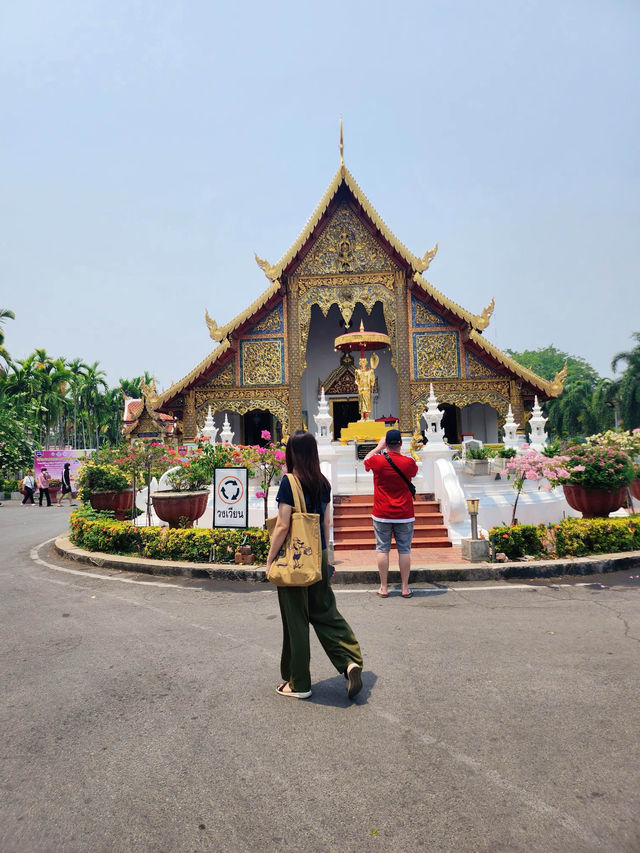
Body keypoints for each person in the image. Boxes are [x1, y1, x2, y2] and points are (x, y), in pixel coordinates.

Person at [266, 431, 363, 700]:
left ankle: (299, 683)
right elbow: (327, 524)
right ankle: (349, 662)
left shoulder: (289, 482)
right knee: (325, 612)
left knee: (296, 619)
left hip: (296, 558)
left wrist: (270, 558)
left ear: (292, 453)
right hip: (318, 554)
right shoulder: (324, 483)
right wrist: (327, 557)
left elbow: (284, 525)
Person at [363, 428, 418, 598]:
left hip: (382, 512)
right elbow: (414, 472)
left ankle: (384, 587)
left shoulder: (378, 461)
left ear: (387, 444)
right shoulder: (408, 462)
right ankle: (404, 587)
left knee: (382, 549)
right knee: (404, 549)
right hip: (404, 513)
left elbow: (366, 460)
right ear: (401, 443)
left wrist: (379, 447)